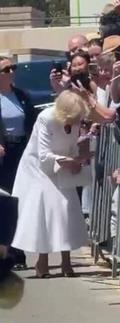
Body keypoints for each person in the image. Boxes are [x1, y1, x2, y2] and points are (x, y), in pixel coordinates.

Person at [11, 91, 91, 278]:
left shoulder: (76, 119)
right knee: (45, 210)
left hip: (63, 164)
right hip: (39, 168)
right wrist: (66, 160)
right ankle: (42, 260)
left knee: (67, 208)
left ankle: (66, 261)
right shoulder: (45, 118)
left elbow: (72, 145)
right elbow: (44, 154)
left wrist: (77, 159)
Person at [0, 56, 36, 271]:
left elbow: (32, 122)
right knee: (4, 204)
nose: (11, 71)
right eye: (6, 69)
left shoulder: (21, 95)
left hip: (21, 151)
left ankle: (17, 252)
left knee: (18, 201)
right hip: (3, 153)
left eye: (13, 68)